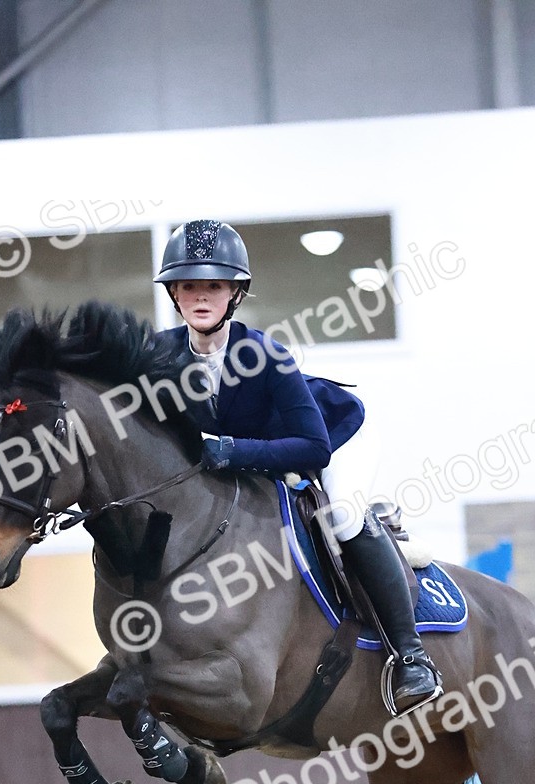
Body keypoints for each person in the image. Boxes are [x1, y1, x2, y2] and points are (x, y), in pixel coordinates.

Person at [155, 219, 442, 713]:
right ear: (175, 295)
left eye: (214, 286)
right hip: (258, 457)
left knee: (343, 517)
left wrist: (229, 450)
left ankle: (410, 656)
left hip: (336, 434)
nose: (201, 296)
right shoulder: (159, 356)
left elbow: (313, 448)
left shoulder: (266, 355)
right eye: (189, 286)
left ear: (235, 294)